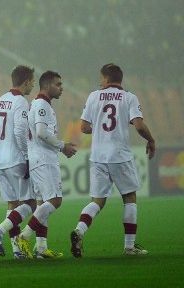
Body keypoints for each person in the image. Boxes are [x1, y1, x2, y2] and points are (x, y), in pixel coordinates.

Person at [70, 63, 155, 257]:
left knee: (98, 200)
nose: (100, 82)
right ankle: (129, 246)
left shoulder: (93, 96)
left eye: (101, 78)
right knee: (129, 197)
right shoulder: (129, 97)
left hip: (98, 156)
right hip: (119, 155)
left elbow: (83, 127)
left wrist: (99, 128)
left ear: (107, 79)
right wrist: (151, 140)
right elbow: (140, 126)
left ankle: (79, 230)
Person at [15, 70, 77, 259]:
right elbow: (41, 132)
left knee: (42, 203)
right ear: (47, 85)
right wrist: (62, 146)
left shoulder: (37, 103)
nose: (61, 88)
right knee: (55, 201)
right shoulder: (42, 105)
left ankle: (41, 248)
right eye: (58, 84)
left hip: (37, 159)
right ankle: (23, 236)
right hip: (44, 159)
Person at [0, 65, 37, 259]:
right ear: (25, 82)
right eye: (32, 81)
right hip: (16, 159)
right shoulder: (21, 101)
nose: (33, 85)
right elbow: (19, 131)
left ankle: (17, 251)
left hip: (0, 161)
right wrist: (26, 156)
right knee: (31, 203)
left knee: (12, 205)